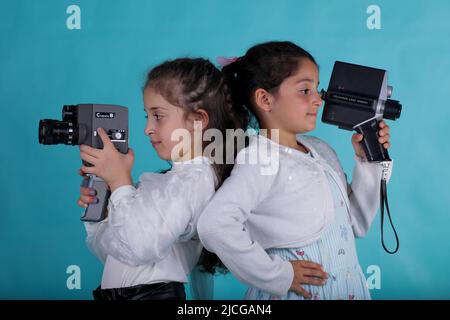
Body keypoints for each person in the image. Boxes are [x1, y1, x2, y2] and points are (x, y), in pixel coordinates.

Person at [197, 41, 393, 300]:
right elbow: (214, 224)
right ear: (265, 99)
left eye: (316, 88)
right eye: (304, 90)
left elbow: (356, 223)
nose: (318, 98)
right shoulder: (259, 159)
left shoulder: (321, 151)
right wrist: (277, 275)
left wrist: (368, 163)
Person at [77, 58, 247, 300]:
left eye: (158, 116)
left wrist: (120, 183)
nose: (147, 128)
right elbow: (118, 253)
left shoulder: (195, 181)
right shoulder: (168, 182)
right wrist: (104, 213)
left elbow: (139, 247)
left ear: (198, 121)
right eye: (146, 116)